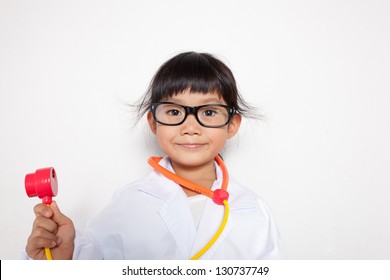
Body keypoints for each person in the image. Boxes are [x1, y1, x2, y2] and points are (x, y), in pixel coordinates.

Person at [25, 51, 281, 260]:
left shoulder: (254, 211)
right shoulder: (127, 205)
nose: (190, 127)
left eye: (209, 112)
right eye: (173, 112)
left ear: (232, 124)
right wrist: (63, 259)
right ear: (153, 122)